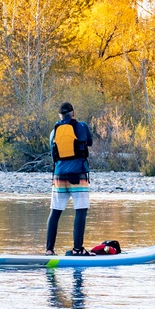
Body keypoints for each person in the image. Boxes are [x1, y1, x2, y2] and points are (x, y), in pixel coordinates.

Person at [46, 102, 92, 254]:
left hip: (59, 176)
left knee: (55, 212)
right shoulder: (82, 126)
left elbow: (52, 152)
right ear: (73, 113)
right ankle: (78, 249)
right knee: (80, 211)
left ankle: (49, 250)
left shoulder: (54, 131)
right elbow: (89, 142)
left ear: (60, 115)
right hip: (78, 175)